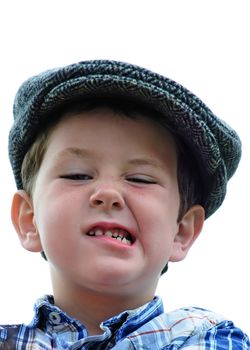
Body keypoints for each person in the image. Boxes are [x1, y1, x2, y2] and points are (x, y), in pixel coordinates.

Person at [1, 60, 249, 349]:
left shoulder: (205, 337)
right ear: (29, 220)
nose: (108, 193)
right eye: (77, 175)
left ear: (181, 232)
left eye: (140, 179)